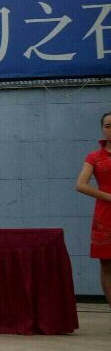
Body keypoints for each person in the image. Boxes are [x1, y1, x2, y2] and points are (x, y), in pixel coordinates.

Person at [75, 111, 111, 308]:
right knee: (107, 264)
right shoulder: (94, 157)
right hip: (105, 216)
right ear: (102, 129)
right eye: (108, 126)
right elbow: (81, 185)